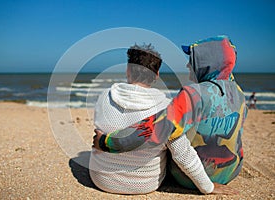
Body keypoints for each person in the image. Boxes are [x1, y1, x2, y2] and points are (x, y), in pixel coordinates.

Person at [93, 35, 248, 195]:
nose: (188, 64)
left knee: (171, 135)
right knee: (175, 138)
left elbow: (154, 131)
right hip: (231, 169)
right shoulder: (238, 93)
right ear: (157, 73)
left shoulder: (193, 94)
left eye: (193, 59)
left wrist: (106, 142)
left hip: (189, 178)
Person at [89, 44, 172, 194]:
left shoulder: (104, 96)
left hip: (101, 179)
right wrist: (207, 187)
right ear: (157, 74)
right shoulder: (167, 107)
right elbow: (183, 154)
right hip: (145, 184)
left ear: (128, 70)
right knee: (173, 139)